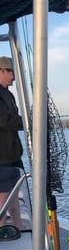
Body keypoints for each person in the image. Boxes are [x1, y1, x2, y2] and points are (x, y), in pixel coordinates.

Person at [0, 56, 24, 229]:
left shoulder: (8, 94)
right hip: (2, 157)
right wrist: (31, 123)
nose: (15, 76)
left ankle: (18, 226)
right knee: (3, 195)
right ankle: (1, 230)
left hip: (14, 154)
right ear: (2, 71)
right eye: (12, 72)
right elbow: (6, 119)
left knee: (14, 193)